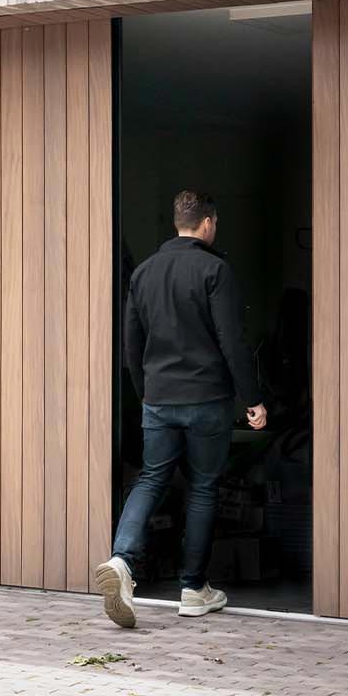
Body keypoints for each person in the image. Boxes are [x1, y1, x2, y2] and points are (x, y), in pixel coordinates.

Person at [94, 190, 267, 628]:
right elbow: (232, 340)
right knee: (204, 486)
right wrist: (252, 398)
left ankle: (121, 561)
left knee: (152, 478)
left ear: (176, 223)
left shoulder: (145, 273)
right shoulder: (215, 269)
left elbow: (131, 343)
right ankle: (193, 589)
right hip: (207, 398)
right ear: (207, 223)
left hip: (159, 397)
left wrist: (145, 391)